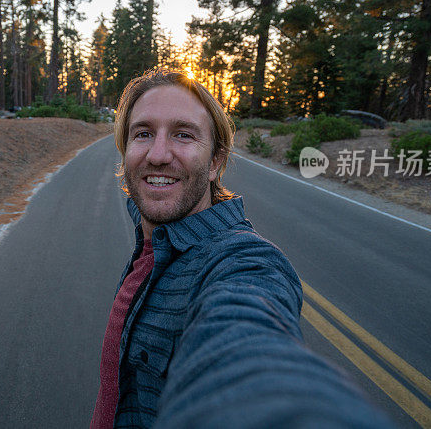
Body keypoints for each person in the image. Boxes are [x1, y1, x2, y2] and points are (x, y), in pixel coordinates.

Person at [90, 67, 393, 428]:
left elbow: (246, 337)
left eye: (183, 135)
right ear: (126, 152)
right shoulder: (152, 236)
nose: (157, 154)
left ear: (216, 160)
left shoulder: (241, 262)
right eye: (143, 134)